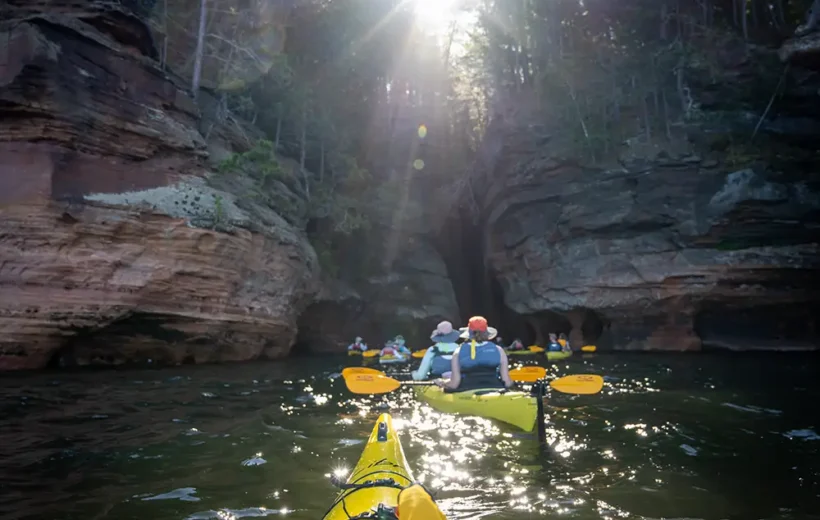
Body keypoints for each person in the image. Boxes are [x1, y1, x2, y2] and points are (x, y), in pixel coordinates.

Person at [436, 316, 513, 391]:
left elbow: (454, 384)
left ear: (469, 332)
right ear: (486, 332)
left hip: (467, 390)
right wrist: (513, 383)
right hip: (495, 388)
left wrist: (443, 383)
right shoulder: (499, 350)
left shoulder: (458, 351)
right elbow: (506, 382)